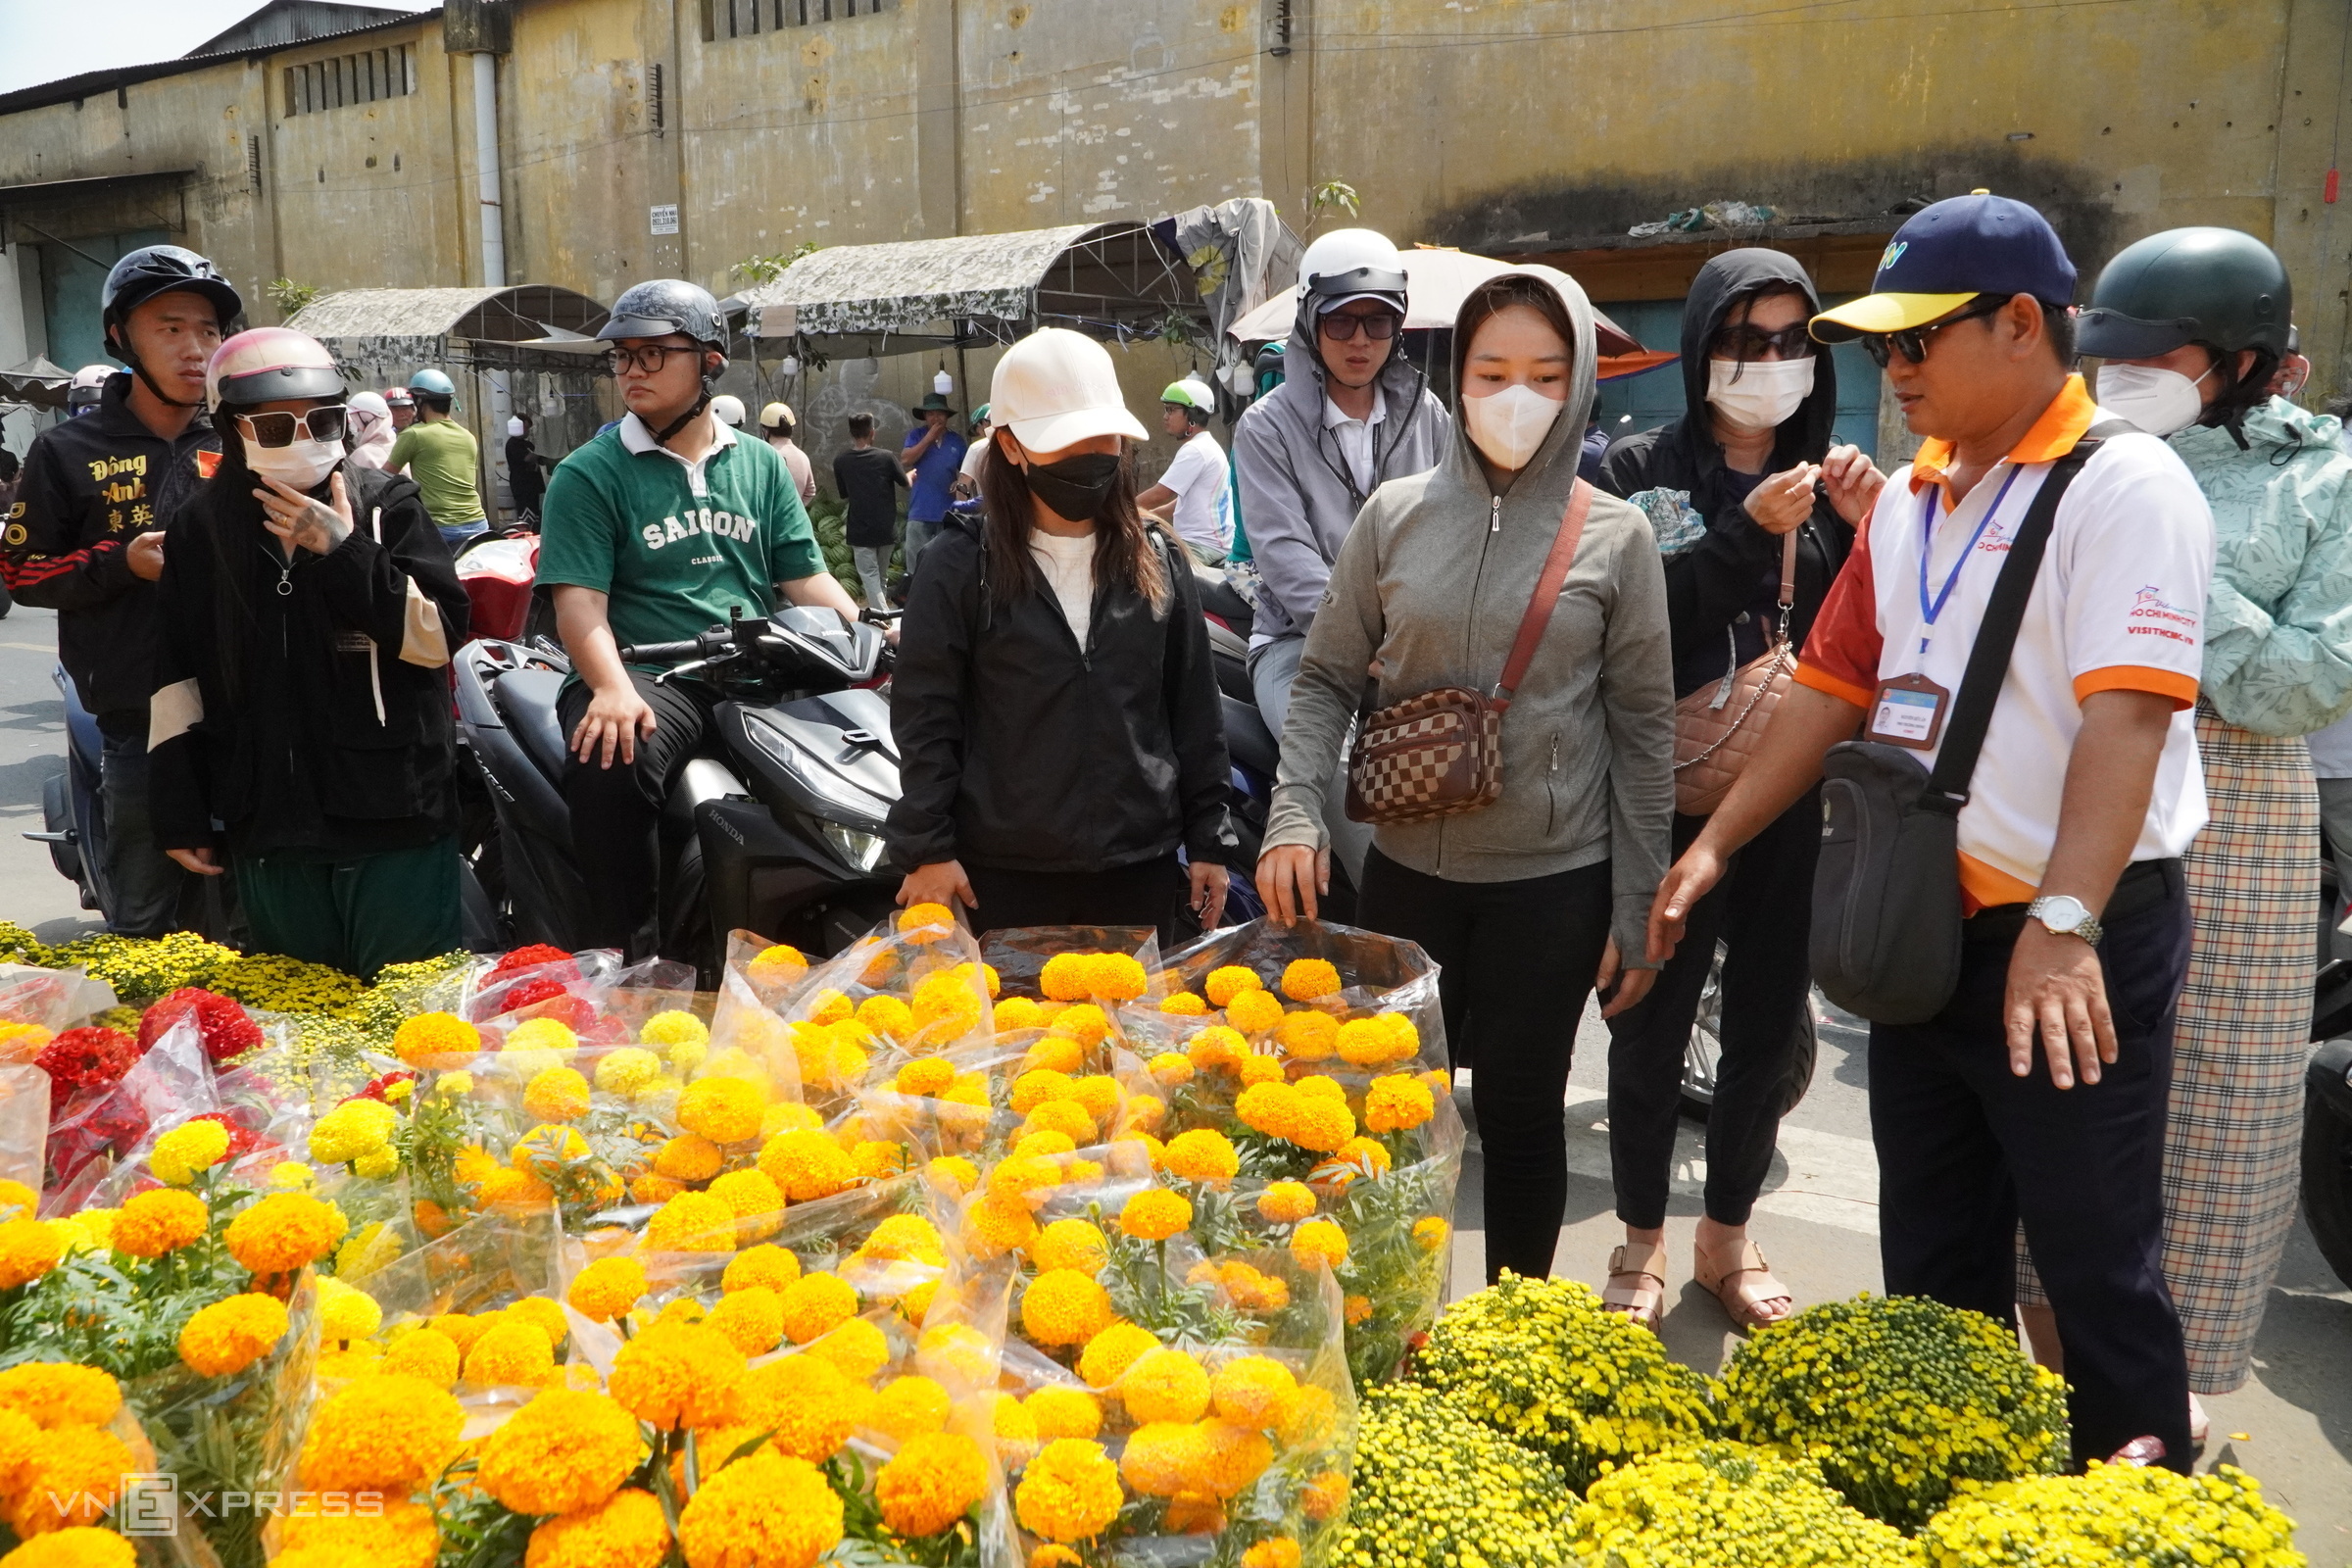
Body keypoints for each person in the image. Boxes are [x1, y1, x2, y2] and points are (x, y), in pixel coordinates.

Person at [1649, 193, 2213, 1467]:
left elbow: (2127, 725)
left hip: (2069, 938)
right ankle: (1964, 1504)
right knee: (1936, 1270)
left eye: (1917, 342)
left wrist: (2064, 926)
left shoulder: (2124, 487)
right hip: (1926, 941)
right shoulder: (1908, 502)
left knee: (2092, 1265)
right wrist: (1718, 843)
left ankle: (2136, 1520)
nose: (1890, 369)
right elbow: (1835, 691)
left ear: (2024, 324)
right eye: (1881, 348)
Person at [1256, 268, 1677, 1286]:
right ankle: (1401, 1326)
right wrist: (1295, 811)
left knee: (1525, 1117)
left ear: (1577, 385)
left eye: (1544, 372)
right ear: (1457, 375)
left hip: (1552, 884)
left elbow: (1643, 733)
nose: (1516, 394)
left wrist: (1637, 908)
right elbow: (1320, 678)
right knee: (1403, 1118)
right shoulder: (1394, 517)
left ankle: (1508, 1340)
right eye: (1493, 371)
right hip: (1408, 876)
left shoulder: (1617, 536)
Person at [2018, 227, 2352, 1443]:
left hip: (2249, 821)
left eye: (2163, 355)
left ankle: (2176, 1405)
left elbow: (2298, 687)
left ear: (2250, 361)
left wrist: (2159, 561)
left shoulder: (2327, 480)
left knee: (2223, 1118)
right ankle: (2053, 1389)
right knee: (2063, 1085)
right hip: (2077, 789)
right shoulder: (2058, 456)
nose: (2125, 376)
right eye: (2116, 353)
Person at [1595, 250, 1885, 1331]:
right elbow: (1627, 628)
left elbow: (1880, 644)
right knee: (1648, 1016)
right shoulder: (1636, 472)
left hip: (1788, 799)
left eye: (1789, 343)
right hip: (1658, 793)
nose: (1765, 364)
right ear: (1704, 344)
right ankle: (1638, 1240)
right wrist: (1739, 535)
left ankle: (1725, 1235)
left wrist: (1869, 531)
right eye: (1741, 339)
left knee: (1768, 1024)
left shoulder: (1841, 484)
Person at [538, 280, 864, 958]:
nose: (632, 370)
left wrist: (868, 638)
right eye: (623, 357)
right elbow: (579, 606)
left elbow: (803, 576)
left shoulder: (760, 465)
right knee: (610, 759)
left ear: (710, 362)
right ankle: (625, 960)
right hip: (652, 672)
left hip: (759, 664)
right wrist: (611, 686)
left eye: (654, 354)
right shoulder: (588, 474)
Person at [888, 327, 1233, 940]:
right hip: (1004, 876)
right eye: (1062, 440)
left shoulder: (1156, 557)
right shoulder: (961, 564)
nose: (1087, 453)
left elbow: (1193, 709)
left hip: (1139, 869)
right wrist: (929, 846)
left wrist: (1209, 837)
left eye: (1100, 436)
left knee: (1132, 1036)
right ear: (1012, 446)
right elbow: (926, 715)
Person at [147, 328, 469, 977]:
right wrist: (180, 809)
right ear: (230, 428)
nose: (301, 439)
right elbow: (177, 676)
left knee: (409, 1029)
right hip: (268, 818)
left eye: (321, 420)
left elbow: (437, 642)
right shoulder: (200, 528)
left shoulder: (387, 506)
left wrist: (347, 553)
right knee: (302, 1037)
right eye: (273, 426)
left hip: (394, 814)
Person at [1, 245, 241, 937]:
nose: (195, 349)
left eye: (208, 331)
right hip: (139, 723)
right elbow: (22, 574)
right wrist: (119, 564)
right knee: (147, 918)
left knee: (262, 912)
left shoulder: (244, 440)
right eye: (170, 329)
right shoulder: (66, 451)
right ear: (119, 337)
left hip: (245, 712)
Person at [1234, 227, 1451, 741]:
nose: (1360, 340)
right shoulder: (1267, 427)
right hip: (1299, 642)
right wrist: (1365, 642)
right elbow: (1285, 554)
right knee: (1332, 771)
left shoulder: (1428, 414)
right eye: (1340, 320)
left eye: (1377, 320)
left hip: (1415, 642)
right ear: (1311, 322)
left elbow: (1458, 525)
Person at [387, 368, 487, 551]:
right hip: (479, 524)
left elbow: (385, 476)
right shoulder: (468, 436)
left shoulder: (414, 434)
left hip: (440, 528)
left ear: (419, 402)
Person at [1138, 377, 1234, 563]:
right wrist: (1150, 515)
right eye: (1166, 409)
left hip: (1200, 546)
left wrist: (1124, 509)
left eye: (1172, 410)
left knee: (1146, 577)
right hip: (1213, 544)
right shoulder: (1208, 445)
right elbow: (1181, 502)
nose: (1166, 416)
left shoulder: (1195, 450)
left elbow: (1161, 493)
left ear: (1192, 416)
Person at [835, 412, 908, 611]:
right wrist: (910, 475)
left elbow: (844, 494)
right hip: (886, 528)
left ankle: (882, 617)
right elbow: (906, 484)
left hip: (860, 529)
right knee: (880, 577)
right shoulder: (886, 457)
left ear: (851, 433)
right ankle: (883, 616)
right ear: (872, 432)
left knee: (870, 577)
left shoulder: (841, 461)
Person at [901, 391, 968, 574]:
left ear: (947, 416)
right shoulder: (916, 435)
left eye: (940, 413)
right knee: (916, 567)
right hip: (920, 512)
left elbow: (967, 472)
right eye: (930, 414)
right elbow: (905, 460)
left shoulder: (957, 440)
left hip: (947, 513)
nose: (935, 417)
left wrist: (958, 482)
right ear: (924, 416)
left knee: (945, 566)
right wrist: (929, 438)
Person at [760, 401, 818, 507]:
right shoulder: (803, 456)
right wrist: (795, 510)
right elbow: (810, 491)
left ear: (766, 431)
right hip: (793, 520)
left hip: (770, 521)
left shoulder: (766, 456)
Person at [504, 413, 556, 524]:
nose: (527, 431)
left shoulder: (528, 444)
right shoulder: (512, 444)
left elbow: (541, 460)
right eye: (526, 427)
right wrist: (541, 448)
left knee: (536, 517)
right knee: (527, 518)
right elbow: (528, 458)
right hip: (522, 487)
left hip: (533, 487)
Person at [345, 391, 397, 470]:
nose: (357, 429)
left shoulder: (363, 454)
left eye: (355, 421)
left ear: (365, 419)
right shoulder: (396, 442)